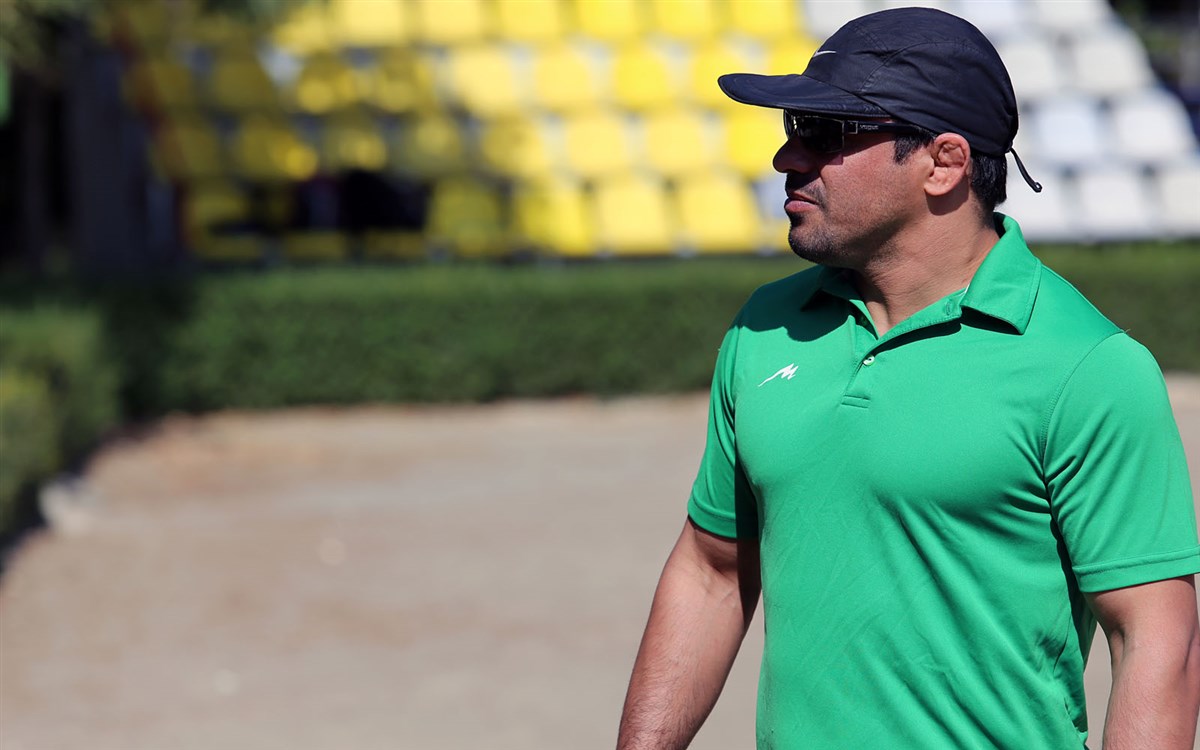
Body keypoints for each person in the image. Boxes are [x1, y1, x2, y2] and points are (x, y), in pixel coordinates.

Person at [615, 7, 1200, 750]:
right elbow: (713, 571)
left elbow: (1157, 640)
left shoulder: (1090, 367)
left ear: (943, 162)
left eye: (826, 132)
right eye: (794, 127)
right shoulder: (763, 327)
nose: (788, 157)